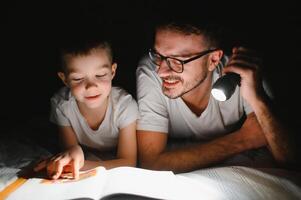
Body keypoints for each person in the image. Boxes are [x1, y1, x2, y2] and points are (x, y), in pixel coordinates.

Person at [136, 19, 297, 173]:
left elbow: (292, 162)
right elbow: (151, 163)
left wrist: (258, 98)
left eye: (178, 60)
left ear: (213, 59)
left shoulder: (242, 74)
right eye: (158, 55)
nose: (161, 71)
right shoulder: (150, 71)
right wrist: (244, 139)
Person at [34, 35, 139, 179]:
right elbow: (70, 151)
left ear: (112, 72)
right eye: (78, 78)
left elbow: (128, 163)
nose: (90, 86)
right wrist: (72, 155)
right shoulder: (62, 105)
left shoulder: (125, 106)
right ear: (64, 79)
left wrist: (80, 164)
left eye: (100, 75)